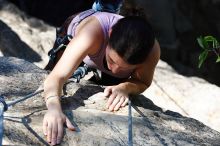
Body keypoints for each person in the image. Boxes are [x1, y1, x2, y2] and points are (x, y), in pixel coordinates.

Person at [43, 7, 160, 145]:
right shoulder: (92, 33)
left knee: (110, 85)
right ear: (109, 34)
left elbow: (143, 82)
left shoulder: (151, 53)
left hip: (98, 49)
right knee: (51, 72)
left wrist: (125, 87)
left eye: (124, 68)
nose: (114, 70)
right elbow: (56, 77)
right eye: (112, 60)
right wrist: (54, 108)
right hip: (78, 34)